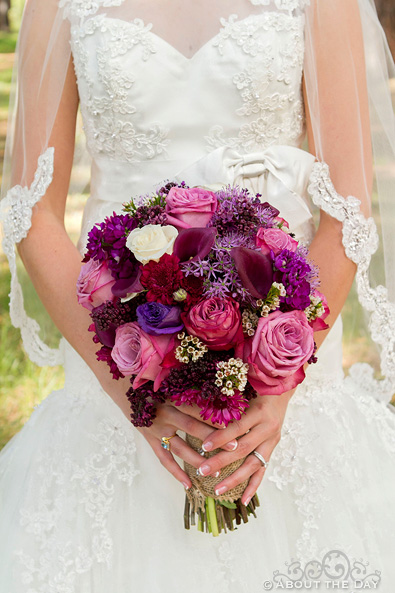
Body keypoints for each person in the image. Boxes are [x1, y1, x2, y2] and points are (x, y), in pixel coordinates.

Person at [1, 0, 395, 591]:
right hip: (119, 363)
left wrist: (277, 379)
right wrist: (134, 394)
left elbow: (348, 211)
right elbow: (30, 211)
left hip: (285, 385)